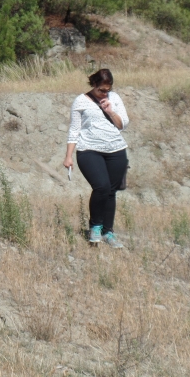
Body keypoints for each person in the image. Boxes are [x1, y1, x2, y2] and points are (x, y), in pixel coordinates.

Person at [63, 68, 129, 249]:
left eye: (107, 90)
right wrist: (68, 156)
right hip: (89, 150)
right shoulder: (80, 101)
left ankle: (108, 232)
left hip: (116, 149)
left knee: (111, 191)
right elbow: (74, 130)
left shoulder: (114, 99)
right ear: (94, 85)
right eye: (101, 90)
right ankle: (95, 227)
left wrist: (110, 111)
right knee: (101, 187)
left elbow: (123, 124)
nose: (104, 93)